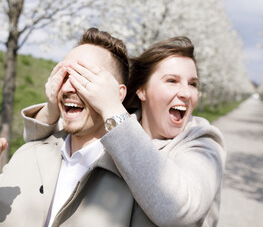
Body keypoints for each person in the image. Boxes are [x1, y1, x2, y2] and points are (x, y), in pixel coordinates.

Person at [0, 28, 156, 227]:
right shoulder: (28, 154)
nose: (69, 86)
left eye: (84, 77)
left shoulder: (137, 181)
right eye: (65, 75)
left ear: (117, 95)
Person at [22, 36, 226, 227]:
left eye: (193, 84)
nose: (186, 93)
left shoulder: (203, 140)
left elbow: (180, 210)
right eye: (172, 81)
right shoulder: (116, 128)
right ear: (141, 90)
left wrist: (111, 106)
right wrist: (50, 108)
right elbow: (41, 143)